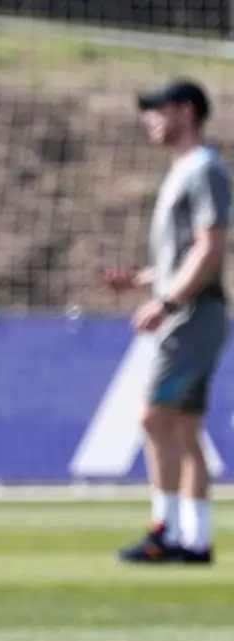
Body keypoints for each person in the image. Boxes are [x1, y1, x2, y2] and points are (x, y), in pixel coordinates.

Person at [102, 78, 230, 565]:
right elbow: (185, 256)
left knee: (152, 416)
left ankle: (165, 530)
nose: (149, 119)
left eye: (157, 109)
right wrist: (141, 279)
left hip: (194, 313)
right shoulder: (185, 170)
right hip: (194, 307)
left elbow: (211, 247)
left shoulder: (203, 169)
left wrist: (168, 302)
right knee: (183, 428)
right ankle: (195, 539)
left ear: (186, 111)